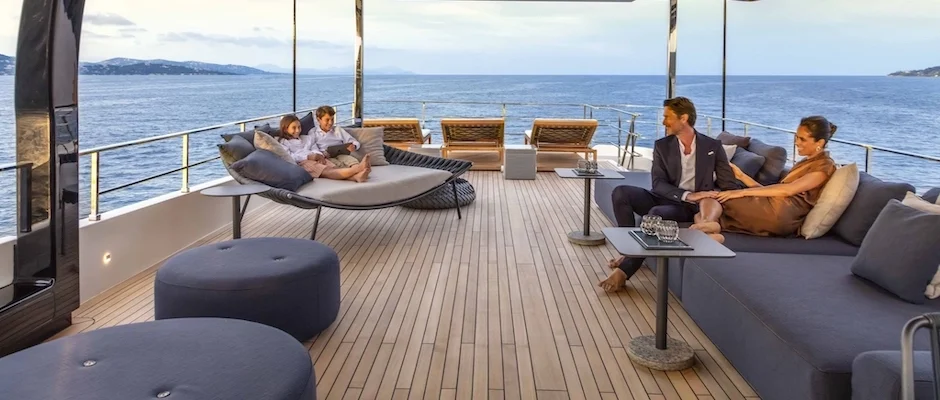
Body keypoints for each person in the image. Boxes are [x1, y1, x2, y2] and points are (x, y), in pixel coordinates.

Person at [598, 97, 739, 292]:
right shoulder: (662, 145)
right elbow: (657, 183)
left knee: (656, 213)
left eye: (667, 117)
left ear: (684, 118)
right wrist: (688, 195)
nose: (663, 122)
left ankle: (625, 270)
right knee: (621, 192)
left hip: (688, 208)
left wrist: (713, 195)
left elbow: (727, 184)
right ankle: (629, 249)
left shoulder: (712, 147)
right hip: (670, 196)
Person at [690, 116, 838, 239]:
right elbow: (772, 191)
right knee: (706, 205)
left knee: (713, 198)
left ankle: (711, 227)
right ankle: (710, 231)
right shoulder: (807, 162)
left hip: (781, 215)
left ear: (820, 143)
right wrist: (741, 175)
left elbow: (788, 190)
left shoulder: (824, 166)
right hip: (775, 207)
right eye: (796, 137)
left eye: (802, 139)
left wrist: (740, 192)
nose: (796, 142)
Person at [276, 115, 371, 182]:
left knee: (334, 168)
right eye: (294, 128)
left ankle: (357, 177)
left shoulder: (306, 138)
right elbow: (290, 157)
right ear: (285, 129)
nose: (297, 130)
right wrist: (309, 156)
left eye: (299, 127)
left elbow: (314, 148)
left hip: (317, 158)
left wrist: (319, 155)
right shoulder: (283, 142)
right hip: (303, 163)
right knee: (327, 171)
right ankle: (357, 169)